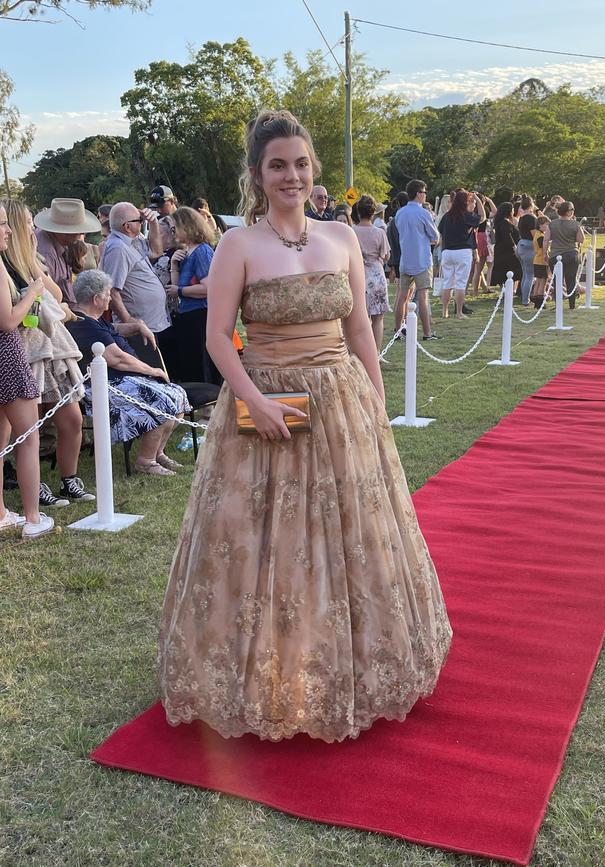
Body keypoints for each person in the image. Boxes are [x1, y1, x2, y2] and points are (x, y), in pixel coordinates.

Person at [157, 108, 452, 743]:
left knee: (349, 533)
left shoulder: (342, 237)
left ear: (312, 168)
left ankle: (348, 661)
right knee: (261, 535)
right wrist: (253, 401)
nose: (292, 175)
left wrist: (376, 400)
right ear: (257, 176)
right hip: (265, 399)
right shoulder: (238, 244)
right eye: (277, 166)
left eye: (300, 163)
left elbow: (358, 334)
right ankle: (261, 672)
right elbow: (217, 338)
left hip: (340, 399)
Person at [1, 198, 95, 507]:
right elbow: (13, 316)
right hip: (24, 351)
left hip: (52, 350)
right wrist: (37, 295)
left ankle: (69, 479)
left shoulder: (31, 259)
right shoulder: (7, 266)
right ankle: (34, 490)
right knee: (29, 428)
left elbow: (54, 293)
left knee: (71, 417)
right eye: (27, 223)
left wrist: (34, 275)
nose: (32, 228)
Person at [68, 270, 190, 476]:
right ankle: (145, 460)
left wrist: (134, 327)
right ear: (96, 298)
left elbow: (110, 330)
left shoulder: (91, 318)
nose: (110, 297)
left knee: (177, 395)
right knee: (162, 400)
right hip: (105, 386)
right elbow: (117, 359)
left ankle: (157, 452)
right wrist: (154, 370)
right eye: (107, 294)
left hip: (121, 380)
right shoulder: (83, 324)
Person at [0, 207, 54, 539]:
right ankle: (33, 517)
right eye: (3, 224)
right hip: (6, 351)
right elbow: (7, 320)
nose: (8, 230)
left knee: (3, 439)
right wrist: (33, 292)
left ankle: (3, 512)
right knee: (28, 437)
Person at [100, 201, 177, 371]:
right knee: (151, 373)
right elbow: (112, 290)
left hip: (151, 323)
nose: (142, 222)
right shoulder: (117, 248)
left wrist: (154, 223)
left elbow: (156, 252)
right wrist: (128, 321)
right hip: (140, 326)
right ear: (127, 226)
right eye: (139, 220)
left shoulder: (132, 242)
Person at [168, 206, 222, 384]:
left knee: (202, 363)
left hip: (201, 315)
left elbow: (209, 288)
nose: (172, 231)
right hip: (188, 314)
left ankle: (209, 405)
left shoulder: (202, 251)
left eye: (175, 227)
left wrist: (181, 291)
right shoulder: (186, 252)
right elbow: (175, 288)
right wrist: (174, 265)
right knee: (191, 362)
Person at [393, 179, 441, 341]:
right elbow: (435, 237)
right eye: (424, 192)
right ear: (418, 194)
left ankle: (398, 330)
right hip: (422, 261)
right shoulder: (423, 213)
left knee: (402, 297)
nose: (425, 195)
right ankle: (427, 333)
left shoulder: (400, 213)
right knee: (423, 297)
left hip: (405, 261)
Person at [35, 198, 101, 304]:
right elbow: (47, 298)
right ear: (66, 232)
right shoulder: (46, 252)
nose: (81, 234)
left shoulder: (61, 243)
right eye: (79, 231)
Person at [352, 194, 391, 351]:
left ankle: (360, 351)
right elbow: (386, 255)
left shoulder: (351, 231)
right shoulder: (379, 232)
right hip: (376, 273)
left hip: (358, 273)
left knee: (360, 317)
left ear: (358, 212)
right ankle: (376, 352)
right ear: (373, 212)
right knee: (378, 317)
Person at [437, 190, 485, 319]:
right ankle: (458, 312)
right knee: (460, 284)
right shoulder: (467, 215)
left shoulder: (447, 216)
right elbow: (482, 216)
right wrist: (479, 200)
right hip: (463, 251)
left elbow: (441, 232)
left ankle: (444, 311)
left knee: (447, 283)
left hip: (447, 251)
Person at [544, 201, 585, 311]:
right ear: (568, 212)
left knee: (557, 281)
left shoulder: (552, 224)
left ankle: (558, 306)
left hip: (556, 254)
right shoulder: (575, 224)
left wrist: (545, 253)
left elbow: (546, 239)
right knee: (571, 280)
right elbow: (581, 239)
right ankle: (572, 305)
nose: (573, 211)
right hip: (571, 254)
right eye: (572, 209)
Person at [491, 202, 522, 288]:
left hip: (503, 250)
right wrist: (514, 247)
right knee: (508, 270)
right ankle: (507, 290)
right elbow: (507, 237)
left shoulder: (501, 222)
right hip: (506, 251)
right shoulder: (504, 223)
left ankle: (508, 290)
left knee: (505, 270)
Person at [516, 196, 537, 306]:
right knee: (530, 275)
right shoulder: (530, 218)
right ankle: (525, 300)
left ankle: (524, 296)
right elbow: (535, 235)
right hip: (529, 245)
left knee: (525, 274)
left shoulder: (522, 217)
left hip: (521, 244)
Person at [531, 214, 551, 309]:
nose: (547, 227)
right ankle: (540, 301)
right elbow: (544, 248)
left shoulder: (537, 234)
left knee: (538, 281)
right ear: (540, 225)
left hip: (537, 260)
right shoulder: (541, 236)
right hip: (541, 260)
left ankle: (535, 300)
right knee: (542, 281)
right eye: (546, 225)